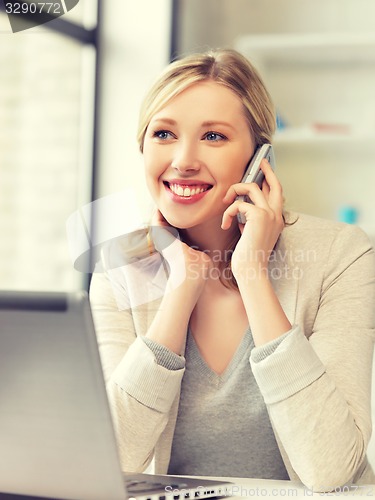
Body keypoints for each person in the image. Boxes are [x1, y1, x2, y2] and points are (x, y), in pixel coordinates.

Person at [89, 49, 375, 492]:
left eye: (214, 137)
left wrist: (253, 274)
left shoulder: (342, 255)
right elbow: (110, 458)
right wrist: (181, 289)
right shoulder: (119, 268)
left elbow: (331, 468)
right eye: (164, 133)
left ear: (259, 158)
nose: (183, 160)